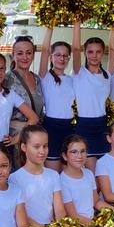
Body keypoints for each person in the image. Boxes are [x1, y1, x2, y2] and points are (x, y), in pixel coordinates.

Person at [72, 21, 110, 171]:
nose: (94, 55)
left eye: (98, 52)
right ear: (85, 53)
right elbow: (75, 48)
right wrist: (77, 21)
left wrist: (113, 25)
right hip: (84, 125)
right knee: (90, 171)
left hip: (102, 125)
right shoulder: (79, 72)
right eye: (90, 52)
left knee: (103, 171)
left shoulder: (108, 75)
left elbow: (113, 50)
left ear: (103, 53)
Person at [38, 27, 75, 172]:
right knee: (53, 173)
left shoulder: (72, 79)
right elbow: (45, 49)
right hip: (51, 127)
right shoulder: (45, 76)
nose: (62, 58)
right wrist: (50, 26)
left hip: (69, 128)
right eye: (58, 55)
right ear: (51, 57)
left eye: (65, 56)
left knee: (68, 172)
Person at [4, 35, 45, 145]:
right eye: (20, 53)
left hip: (36, 137)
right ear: (13, 55)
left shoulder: (37, 79)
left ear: (33, 55)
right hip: (15, 138)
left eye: (28, 53)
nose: (25, 57)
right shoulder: (6, 79)